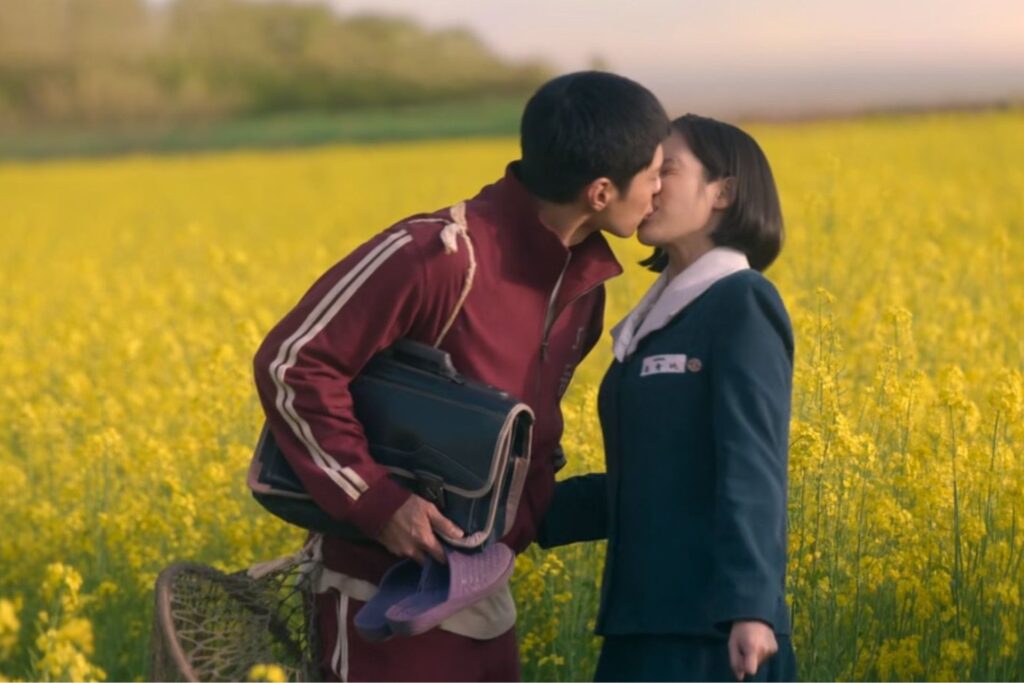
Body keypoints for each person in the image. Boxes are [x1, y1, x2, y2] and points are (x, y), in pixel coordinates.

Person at [251, 71, 669, 681]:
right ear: (601, 192)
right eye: (655, 174)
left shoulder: (583, 290)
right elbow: (291, 363)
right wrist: (379, 503)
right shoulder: (436, 255)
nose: (661, 189)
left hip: (481, 597)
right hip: (381, 604)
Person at [538, 114, 798, 682]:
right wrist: (522, 510)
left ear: (723, 192)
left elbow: (752, 464)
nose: (648, 185)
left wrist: (752, 607)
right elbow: (655, 479)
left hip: (716, 631)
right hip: (641, 624)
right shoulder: (653, 320)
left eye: (667, 170)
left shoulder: (740, 303)